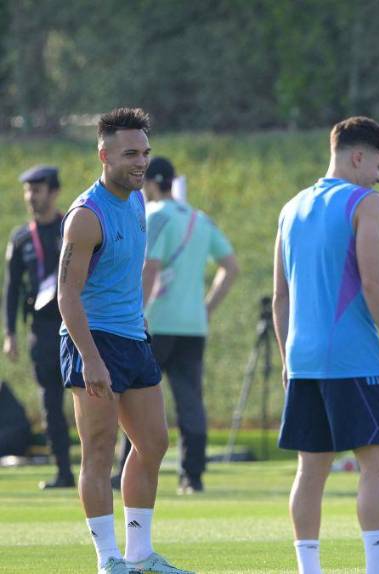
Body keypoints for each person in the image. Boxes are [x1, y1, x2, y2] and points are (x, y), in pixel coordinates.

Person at [58, 108, 192, 574]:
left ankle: (140, 555)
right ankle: (108, 560)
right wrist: (91, 359)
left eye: (146, 152)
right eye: (131, 153)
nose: (142, 163)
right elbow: (66, 294)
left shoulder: (137, 201)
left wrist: (138, 327)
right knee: (98, 449)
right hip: (91, 339)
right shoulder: (85, 216)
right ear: (104, 155)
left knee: (153, 443)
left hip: (133, 338)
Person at [273, 116, 379, 574]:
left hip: (303, 359)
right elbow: (373, 282)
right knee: (378, 465)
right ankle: (378, 568)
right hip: (351, 356)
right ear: (357, 157)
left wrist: (287, 358)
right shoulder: (365, 203)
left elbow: (280, 297)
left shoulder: (290, 208)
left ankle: (309, 570)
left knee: (311, 470)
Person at [112, 156, 239, 494]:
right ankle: (192, 475)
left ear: (152, 183)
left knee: (135, 398)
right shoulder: (199, 218)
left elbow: (149, 269)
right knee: (191, 401)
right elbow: (231, 267)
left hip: (156, 322)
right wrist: (207, 307)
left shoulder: (155, 216)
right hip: (193, 325)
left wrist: (134, 313)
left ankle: (126, 471)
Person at [4, 165, 75, 489]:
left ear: (54, 191)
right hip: (42, 331)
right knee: (50, 405)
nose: (32, 196)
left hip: (76, 326)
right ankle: (63, 472)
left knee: (91, 400)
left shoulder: (72, 227)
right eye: (28, 190)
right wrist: (10, 333)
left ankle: (100, 471)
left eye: (38, 189)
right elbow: (12, 288)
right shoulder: (21, 238)